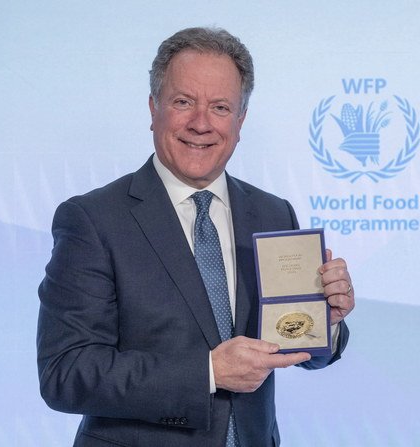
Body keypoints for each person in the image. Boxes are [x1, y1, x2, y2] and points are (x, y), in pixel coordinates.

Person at [36, 27, 354, 447]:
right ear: (154, 108)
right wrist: (208, 372)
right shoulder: (93, 220)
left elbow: (294, 344)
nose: (201, 123)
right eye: (183, 102)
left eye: (220, 107)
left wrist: (325, 322)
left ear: (240, 121)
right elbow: (66, 373)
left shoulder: (272, 213)